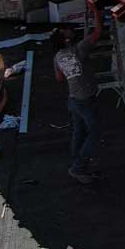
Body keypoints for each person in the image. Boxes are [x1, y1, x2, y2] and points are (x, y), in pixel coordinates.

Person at [52, 22, 103, 184]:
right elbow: (98, 32)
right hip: (86, 99)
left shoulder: (58, 56)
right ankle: (79, 167)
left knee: (79, 132)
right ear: (66, 40)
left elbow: (59, 78)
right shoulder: (78, 50)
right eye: (66, 31)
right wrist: (95, 11)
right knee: (95, 133)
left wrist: (72, 71)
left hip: (73, 99)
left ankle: (78, 163)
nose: (70, 30)